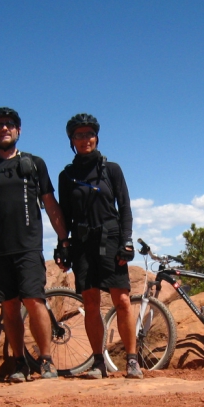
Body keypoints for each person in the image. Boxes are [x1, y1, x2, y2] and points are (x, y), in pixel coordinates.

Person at [0, 107, 68, 382]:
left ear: (19, 130)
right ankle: (20, 363)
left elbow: (50, 204)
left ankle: (45, 361)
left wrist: (63, 240)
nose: (4, 128)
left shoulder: (34, 164)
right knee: (9, 308)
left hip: (28, 248)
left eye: (10, 124)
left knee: (35, 302)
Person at [56, 113, 142, 379]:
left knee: (123, 301)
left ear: (97, 137)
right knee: (90, 303)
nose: (85, 139)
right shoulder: (67, 175)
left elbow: (125, 207)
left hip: (111, 239)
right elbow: (65, 214)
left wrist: (126, 240)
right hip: (82, 243)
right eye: (79, 135)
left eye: (89, 134)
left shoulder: (111, 169)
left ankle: (131, 360)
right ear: (71, 140)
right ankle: (97, 362)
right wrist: (63, 244)